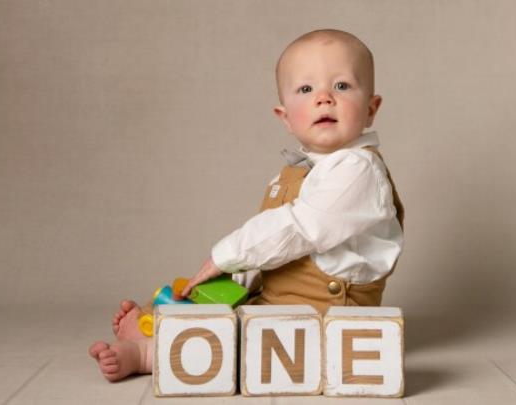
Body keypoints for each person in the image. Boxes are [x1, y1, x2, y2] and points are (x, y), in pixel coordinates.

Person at [89, 28, 404, 382]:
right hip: (279, 301)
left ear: (371, 109)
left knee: (235, 336)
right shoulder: (296, 175)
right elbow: (274, 250)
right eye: (306, 89)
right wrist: (235, 277)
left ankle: (148, 351)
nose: (324, 98)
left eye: (342, 86)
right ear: (285, 117)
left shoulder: (357, 168)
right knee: (214, 302)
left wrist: (223, 256)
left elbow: (298, 227)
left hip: (328, 313)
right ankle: (156, 319)